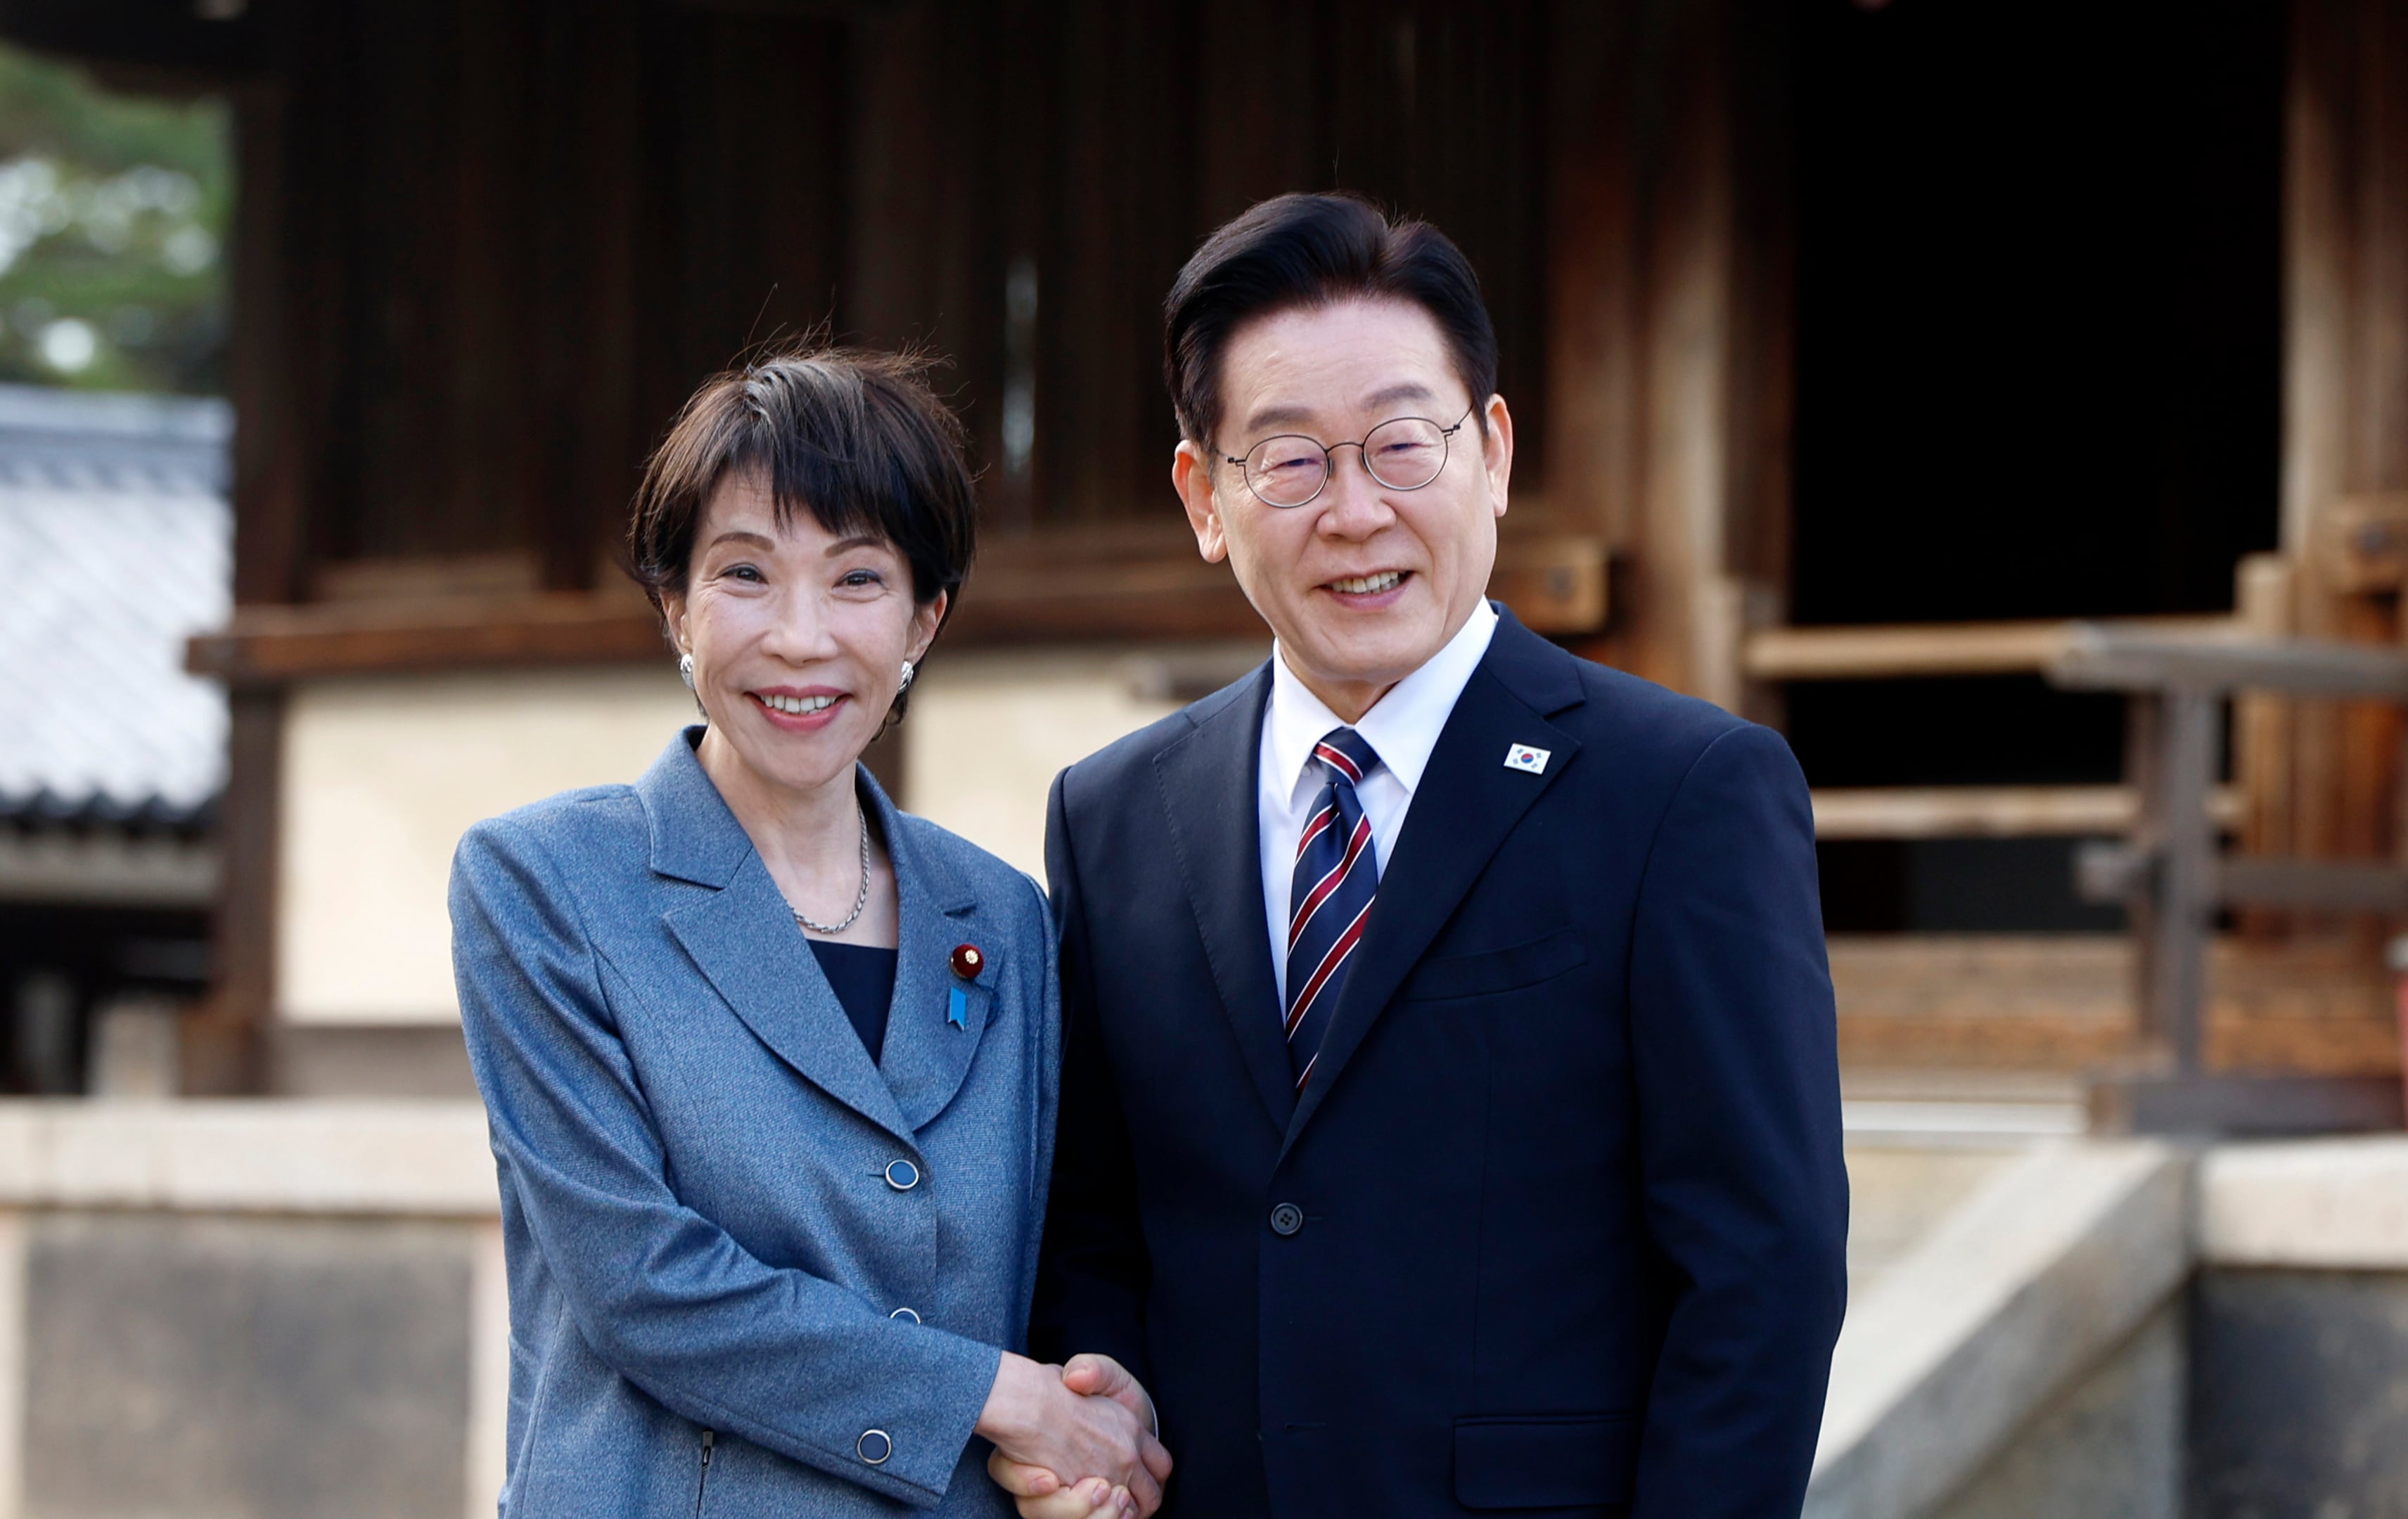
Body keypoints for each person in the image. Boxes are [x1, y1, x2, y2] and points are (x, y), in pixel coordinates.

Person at [1000, 195, 1850, 1518]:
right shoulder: (1115, 816)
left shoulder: (1680, 790)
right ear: (1203, 498)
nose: (1356, 513)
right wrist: (1098, 1412)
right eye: (1289, 461)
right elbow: (1098, 1223)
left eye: (1404, 445)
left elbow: (1764, 1269)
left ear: (1494, 455)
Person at [452, 350, 1170, 1518]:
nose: (799, 638)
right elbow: (645, 1288)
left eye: (856, 580)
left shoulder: (1005, 919)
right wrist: (1000, 1396)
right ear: (676, 605)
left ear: (923, 620)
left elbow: (1055, 1254)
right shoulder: (547, 885)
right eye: (745, 574)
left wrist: (1088, 1423)